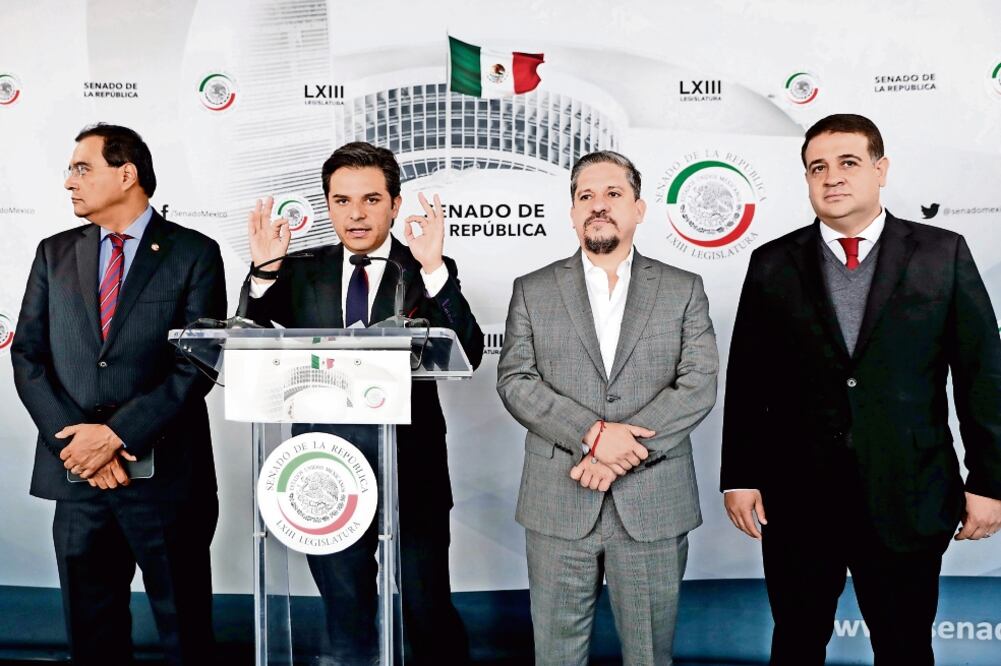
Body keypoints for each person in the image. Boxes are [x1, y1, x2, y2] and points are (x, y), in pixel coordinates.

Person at [721, 113, 1001, 665]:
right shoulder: (772, 262)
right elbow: (750, 379)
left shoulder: (941, 253)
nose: (832, 177)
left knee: (904, 647)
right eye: (817, 167)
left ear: (881, 169)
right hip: (798, 498)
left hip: (907, 493)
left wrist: (991, 481)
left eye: (848, 163)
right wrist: (741, 475)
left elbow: (982, 375)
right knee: (797, 642)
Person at [244, 141, 483, 665]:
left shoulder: (423, 266)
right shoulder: (298, 268)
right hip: (324, 469)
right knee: (345, 609)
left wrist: (436, 268)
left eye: (371, 200)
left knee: (426, 605)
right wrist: (262, 272)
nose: (356, 214)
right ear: (327, 204)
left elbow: (468, 349)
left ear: (395, 205)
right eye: (342, 200)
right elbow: (249, 338)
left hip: (410, 466)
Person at [10, 123, 226, 665]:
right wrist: (79, 446)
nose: (68, 182)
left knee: (186, 636)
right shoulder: (53, 253)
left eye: (82, 168)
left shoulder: (195, 253)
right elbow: (28, 357)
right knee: (91, 636)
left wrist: (115, 436)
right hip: (78, 477)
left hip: (166, 483)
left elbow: (197, 364)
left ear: (126, 174)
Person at [496, 150, 718, 665]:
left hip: (652, 502)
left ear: (638, 208)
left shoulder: (684, 289)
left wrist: (621, 452)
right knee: (556, 655)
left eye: (613, 194)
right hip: (558, 500)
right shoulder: (532, 290)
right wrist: (595, 434)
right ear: (572, 213)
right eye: (585, 196)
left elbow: (698, 385)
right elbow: (515, 380)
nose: (599, 205)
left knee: (649, 656)